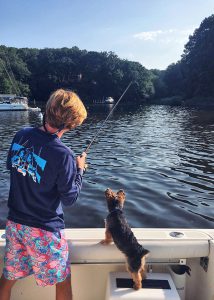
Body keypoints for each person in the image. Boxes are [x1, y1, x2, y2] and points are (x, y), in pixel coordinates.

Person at [0, 89, 87, 300]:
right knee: (62, 281)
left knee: (8, 277)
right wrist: (80, 170)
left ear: (48, 109)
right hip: (44, 230)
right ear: (71, 123)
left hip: (15, 225)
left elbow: (10, 166)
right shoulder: (64, 155)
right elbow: (70, 198)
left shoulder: (21, 135)